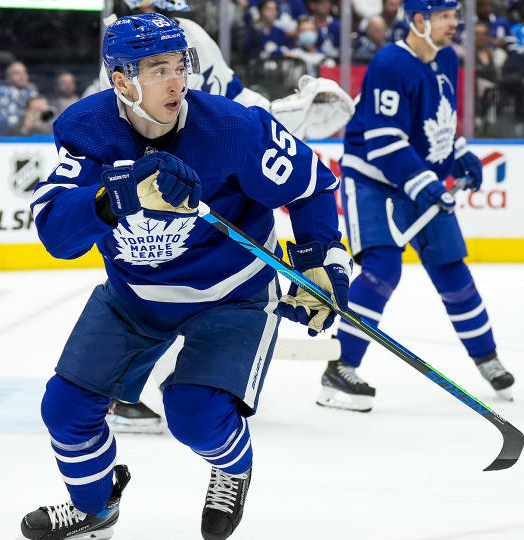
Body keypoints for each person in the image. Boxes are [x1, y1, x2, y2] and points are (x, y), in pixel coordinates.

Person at [21, 13, 349, 540]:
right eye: (157, 69)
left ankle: (233, 467)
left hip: (231, 292)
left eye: (179, 66)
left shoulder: (233, 128)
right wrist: (117, 196)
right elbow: (57, 234)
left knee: (193, 414)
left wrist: (320, 259)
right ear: (121, 80)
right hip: (135, 295)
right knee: (65, 408)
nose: (175, 81)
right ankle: (94, 505)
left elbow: (311, 186)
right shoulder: (86, 130)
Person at [100, 0, 355, 434]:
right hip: (156, 187)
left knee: (186, 286)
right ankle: (128, 390)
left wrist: (287, 116)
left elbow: (233, 103)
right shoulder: (129, 43)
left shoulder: (188, 36)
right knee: (151, 285)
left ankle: (148, 390)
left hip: (200, 178)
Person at [318, 0, 515, 413]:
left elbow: (440, 121)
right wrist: (426, 182)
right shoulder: (390, 64)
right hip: (373, 180)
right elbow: (385, 142)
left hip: (416, 177)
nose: (454, 24)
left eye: (454, 16)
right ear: (420, 20)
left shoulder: (447, 59)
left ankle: (487, 357)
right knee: (381, 271)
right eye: (446, 17)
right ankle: (341, 367)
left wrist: (459, 152)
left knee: (451, 269)